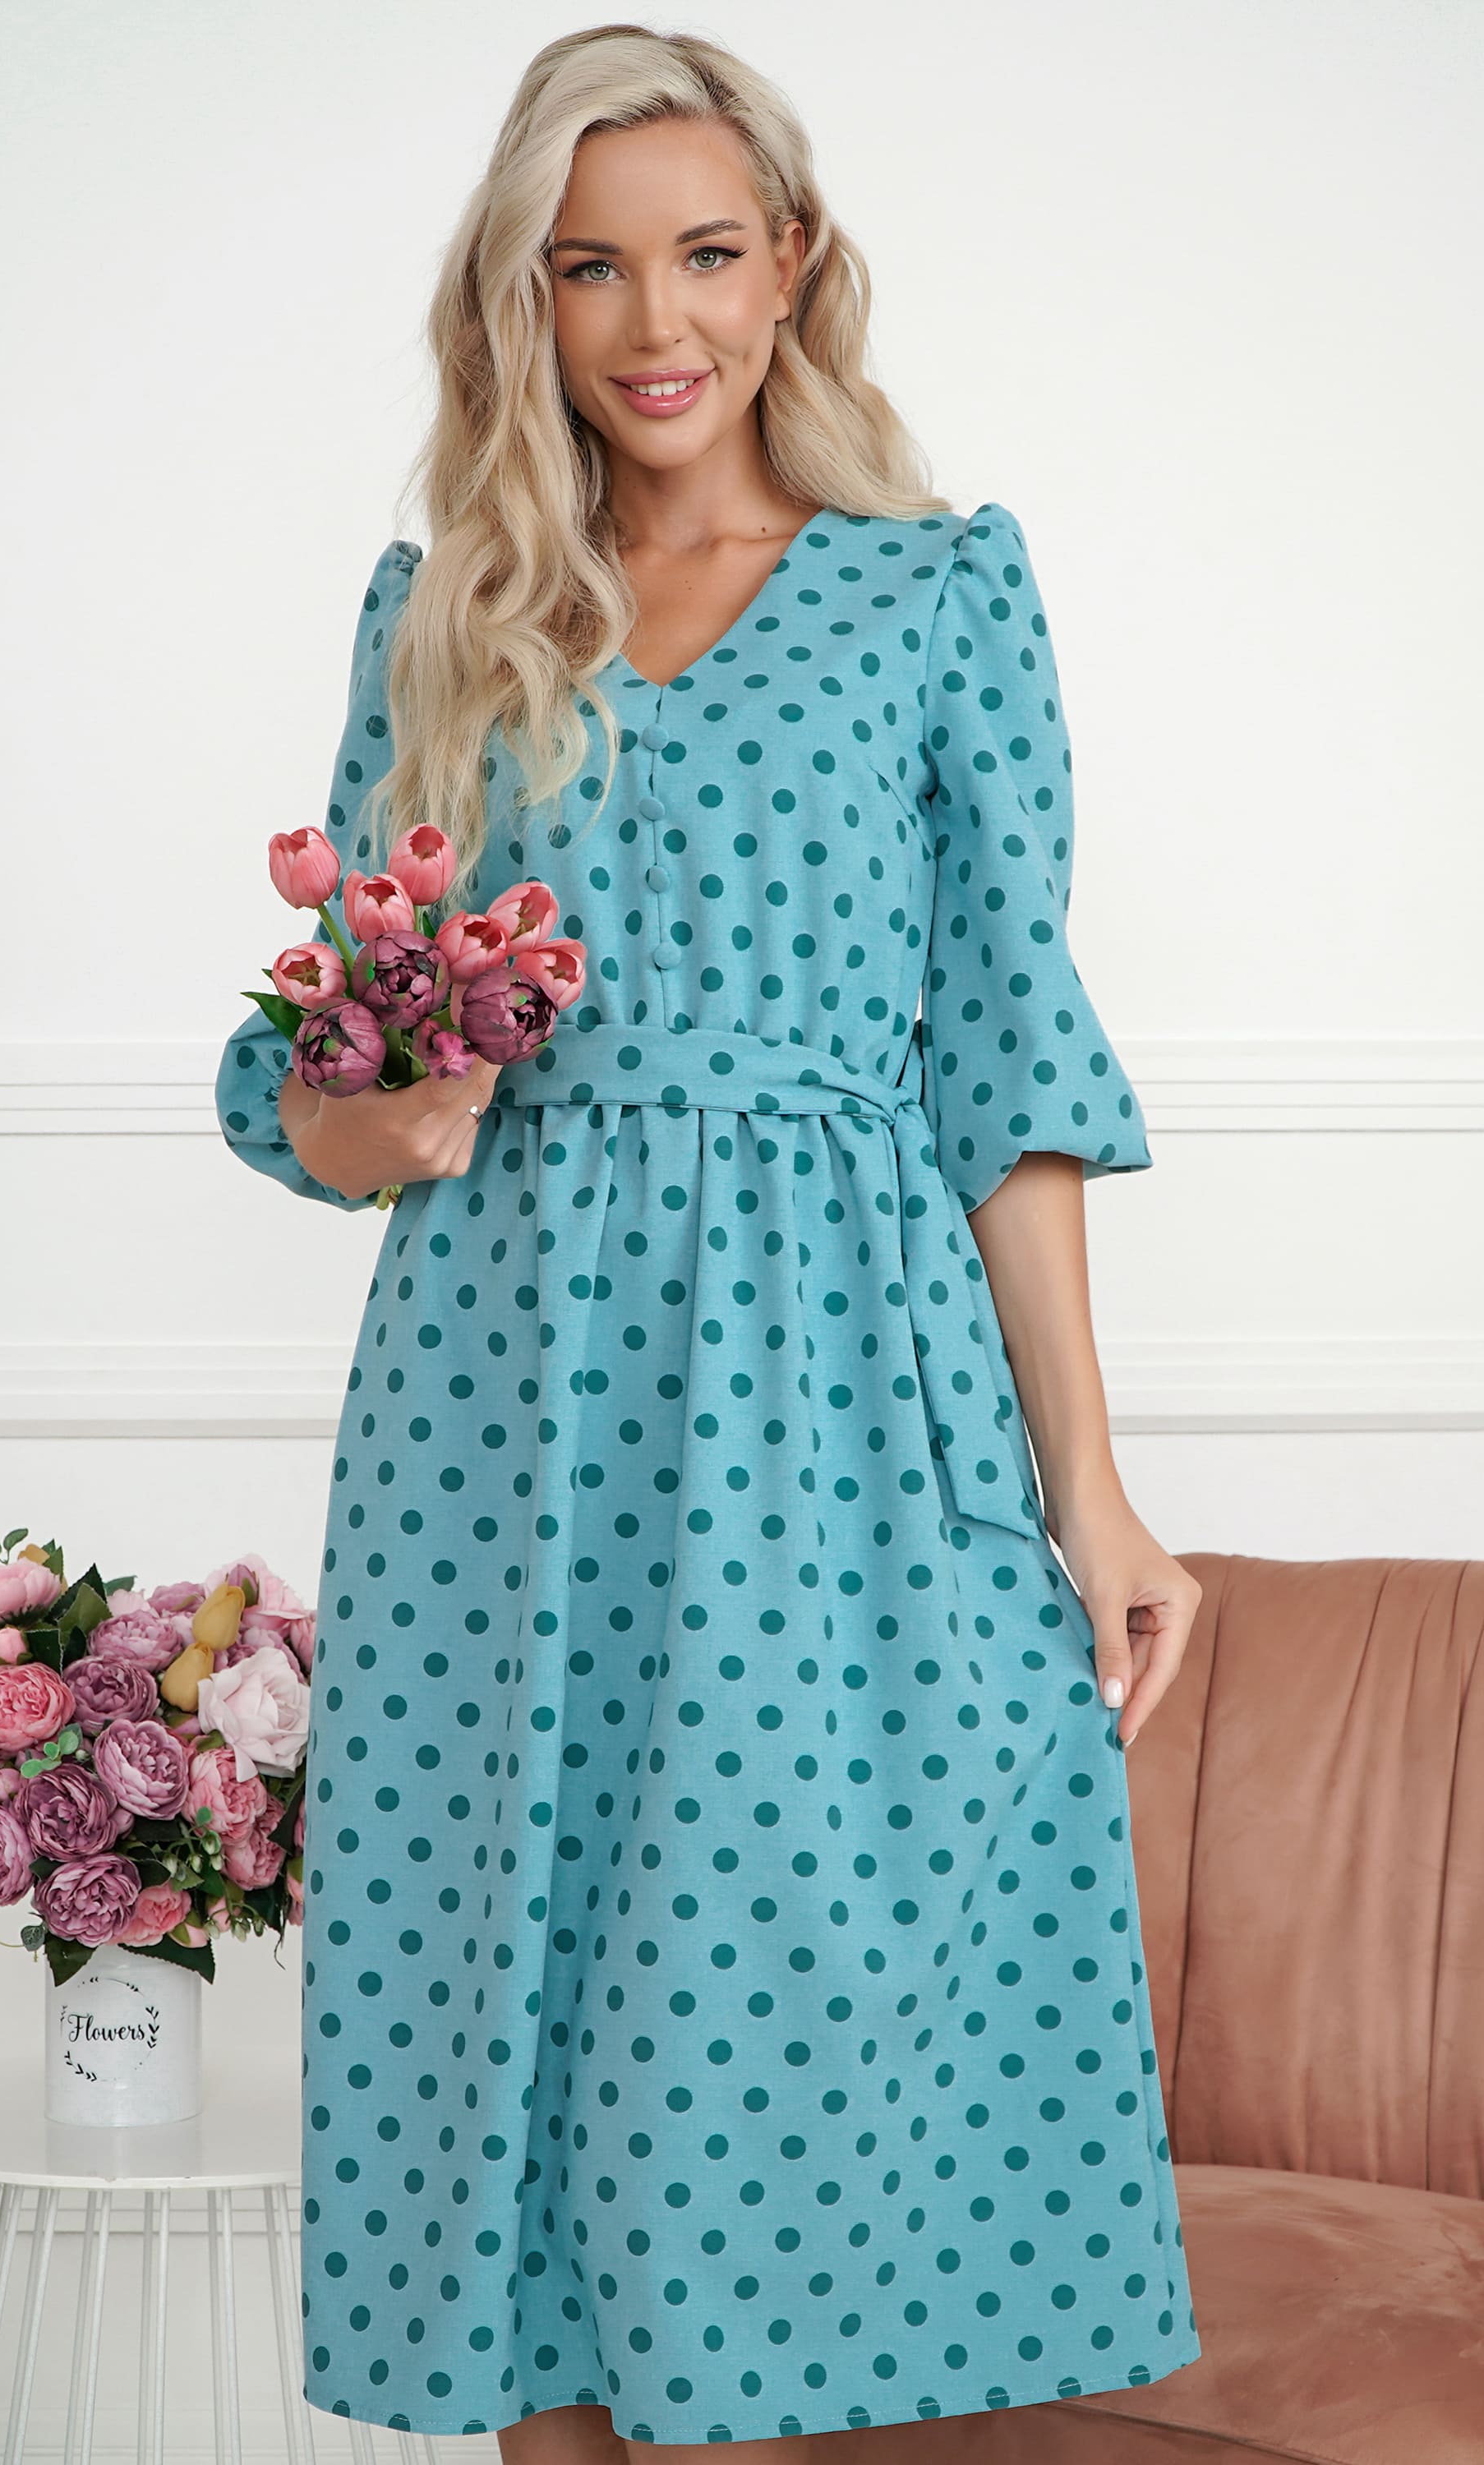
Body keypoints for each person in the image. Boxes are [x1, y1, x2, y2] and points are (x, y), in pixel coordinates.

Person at [214, 24, 1203, 2462]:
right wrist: (387, 1116)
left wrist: (1090, 1489)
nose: (652, 322)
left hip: (840, 1395)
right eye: (588, 269)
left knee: (768, 2031)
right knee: (509, 2029)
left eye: (705, 255)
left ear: (793, 270)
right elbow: (318, 1077)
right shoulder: (443, 618)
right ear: (524, 301)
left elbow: (1009, 1064)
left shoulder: (936, 596)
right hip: (503, 1408)